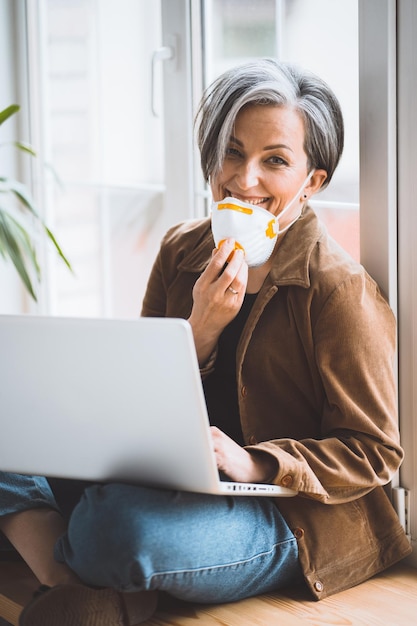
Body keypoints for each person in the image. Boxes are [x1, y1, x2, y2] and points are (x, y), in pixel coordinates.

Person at [0, 58, 411, 626]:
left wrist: (256, 463)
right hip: (163, 479)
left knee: (113, 526)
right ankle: (75, 575)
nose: (244, 180)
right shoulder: (180, 251)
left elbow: (375, 451)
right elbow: (129, 400)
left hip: (285, 516)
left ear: (312, 182)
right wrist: (199, 330)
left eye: (275, 161)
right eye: (233, 152)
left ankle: (87, 570)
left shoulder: (337, 288)